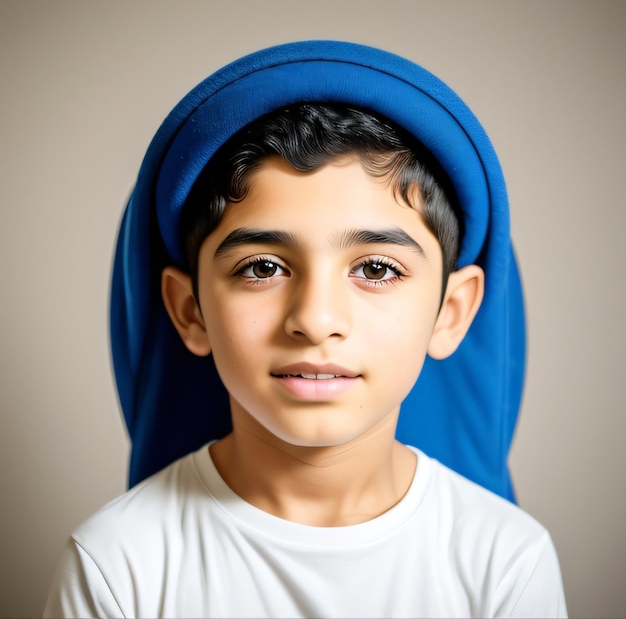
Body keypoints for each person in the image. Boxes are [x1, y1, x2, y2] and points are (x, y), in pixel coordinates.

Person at [44, 41, 567, 618]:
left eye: (375, 269)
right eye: (263, 268)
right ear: (190, 310)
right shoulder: (117, 568)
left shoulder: (506, 564)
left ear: (451, 312)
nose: (316, 320)